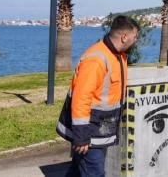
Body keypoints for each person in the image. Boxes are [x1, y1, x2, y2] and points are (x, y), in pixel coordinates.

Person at [57, 15, 139, 177]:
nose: (136, 40)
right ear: (124, 37)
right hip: (89, 132)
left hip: (99, 128)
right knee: (95, 172)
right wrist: (81, 137)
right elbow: (81, 98)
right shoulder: (97, 59)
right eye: (135, 36)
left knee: (78, 170)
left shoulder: (118, 55)